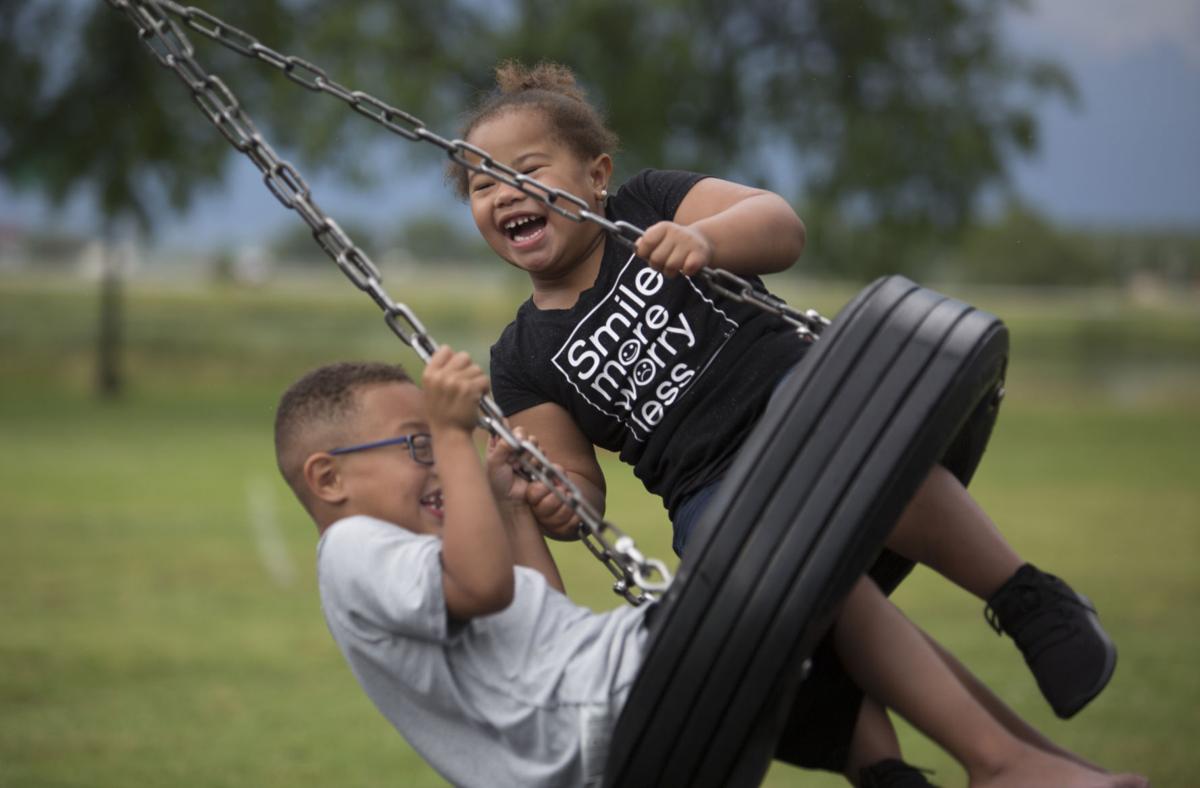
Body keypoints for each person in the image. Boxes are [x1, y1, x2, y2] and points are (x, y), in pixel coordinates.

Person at [449, 61, 1118, 784]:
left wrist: (705, 242)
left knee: (852, 446)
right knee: (770, 614)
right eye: (483, 185)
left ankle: (1025, 597)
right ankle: (887, 772)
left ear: (595, 174)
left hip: (800, 402)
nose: (505, 193)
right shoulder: (519, 357)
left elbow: (780, 225)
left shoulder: (647, 205)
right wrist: (555, 499)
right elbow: (576, 484)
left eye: (526, 169)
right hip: (711, 493)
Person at [273, 349, 1146, 788]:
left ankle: (928, 775)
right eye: (414, 446)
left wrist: (508, 509)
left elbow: (529, 606)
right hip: (609, 706)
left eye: (433, 445)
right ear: (329, 479)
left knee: (811, 635)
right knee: (799, 554)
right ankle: (1005, 764)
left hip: (601, 711)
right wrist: (460, 437)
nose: (434, 463)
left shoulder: (391, 555)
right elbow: (482, 586)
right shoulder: (352, 550)